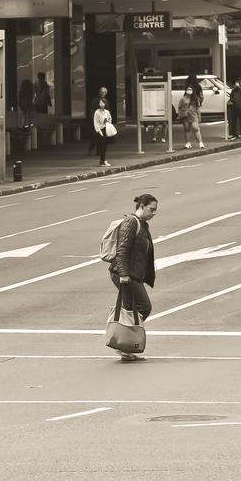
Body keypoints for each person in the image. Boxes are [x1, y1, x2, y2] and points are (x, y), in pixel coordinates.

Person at [109, 194, 158, 361]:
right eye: (151, 209)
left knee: (131, 309)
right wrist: (123, 274)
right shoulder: (131, 223)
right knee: (143, 306)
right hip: (125, 275)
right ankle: (123, 343)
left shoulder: (143, 225)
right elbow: (122, 250)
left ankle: (126, 347)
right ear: (142, 206)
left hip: (133, 275)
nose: (154, 213)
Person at [86, 86, 109, 156]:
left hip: (103, 122)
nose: (102, 93)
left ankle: (99, 151)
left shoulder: (105, 101)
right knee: (95, 136)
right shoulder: (95, 100)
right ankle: (91, 150)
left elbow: (107, 111)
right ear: (99, 92)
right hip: (96, 121)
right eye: (101, 92)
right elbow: (91, 111)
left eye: (104, 92)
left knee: (102, 137)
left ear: (106, 93)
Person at [92, 98, 114, 167]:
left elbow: (110, 119)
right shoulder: (97, 112)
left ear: (105, 104)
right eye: (100, 103)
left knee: (105, 146)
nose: (101, 104)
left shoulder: (107, 112)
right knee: (102, 146)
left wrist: (107, 121)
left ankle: (103, 160)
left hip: (106, 129)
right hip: (100, 130)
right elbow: (95, 122)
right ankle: (102, 161)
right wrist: (98, 131)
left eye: (102, 103)